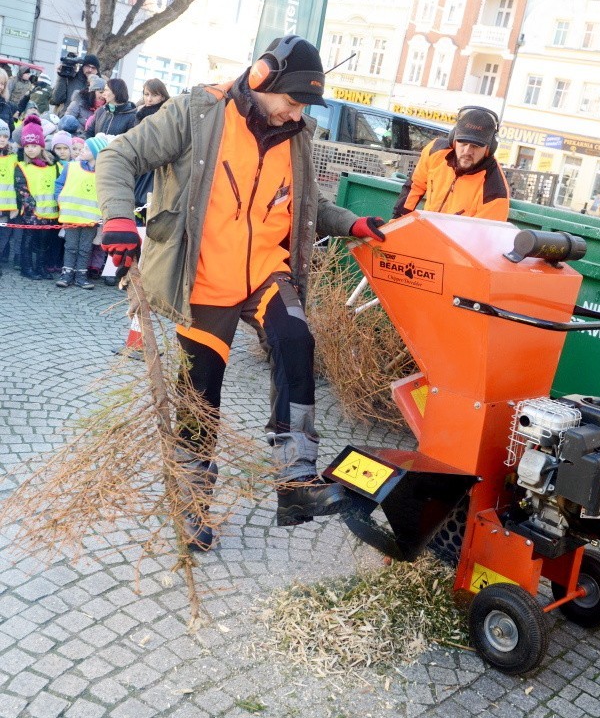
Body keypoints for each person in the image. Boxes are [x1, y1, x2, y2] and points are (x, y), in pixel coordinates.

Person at [96, 34, 386, 549]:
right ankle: (192, 505)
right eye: (291, 100)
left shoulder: (294, 133)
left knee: (296, 341)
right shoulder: (196, 113)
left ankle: (296, 480)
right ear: (260, 78)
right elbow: (118, 157)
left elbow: (307, 203)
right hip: (205, 278)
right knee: (200, 395)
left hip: (264, 273)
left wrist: (354, 224)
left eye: (303, 106)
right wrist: (118, 217)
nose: (295, 113)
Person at [392, 107, 510, 221]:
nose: (467, 151)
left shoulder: (495, 191)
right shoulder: (434, 151)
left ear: (489, 149)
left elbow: (482, 238)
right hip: (427, 230)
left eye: (476, 146)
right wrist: (396, 221)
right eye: (463, 143)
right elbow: (415, 186)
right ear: (453, 140)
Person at [55, 135, 108, 289]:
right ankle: (67, 274)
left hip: (91, 218)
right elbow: (59, 184)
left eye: (86, 148)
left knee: (85, 248)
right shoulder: (72, 166)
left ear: (96, 153)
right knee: (70, 246)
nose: (81, 151)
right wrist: (59, 199)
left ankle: (81, 275)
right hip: (72, 215)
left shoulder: (103, 173)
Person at [15, 114, 58, 280]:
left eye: (34, 145)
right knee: (28, 240)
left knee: (44, 241)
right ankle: (27, 267)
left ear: (41, 146)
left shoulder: (51, 165)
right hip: (31, 212)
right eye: (27, 146)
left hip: (48, 211)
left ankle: (40, 266)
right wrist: (31, 207)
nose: (30, 149)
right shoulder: (22, 166)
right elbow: (22, 189)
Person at [134, 79, 170, 223]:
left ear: (162, 96)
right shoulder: (140, 112)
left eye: (154, 95)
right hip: (141, 161)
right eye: (146, 94)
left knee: (148, 204)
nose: (149, 99)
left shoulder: (166, 113)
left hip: (156, 164)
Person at [0, 121, 18, 276]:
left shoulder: (13, 158)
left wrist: (14, 207)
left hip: (6, 207)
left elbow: (15, 184)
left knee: (3, 237)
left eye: (5, 136)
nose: (2, 139)